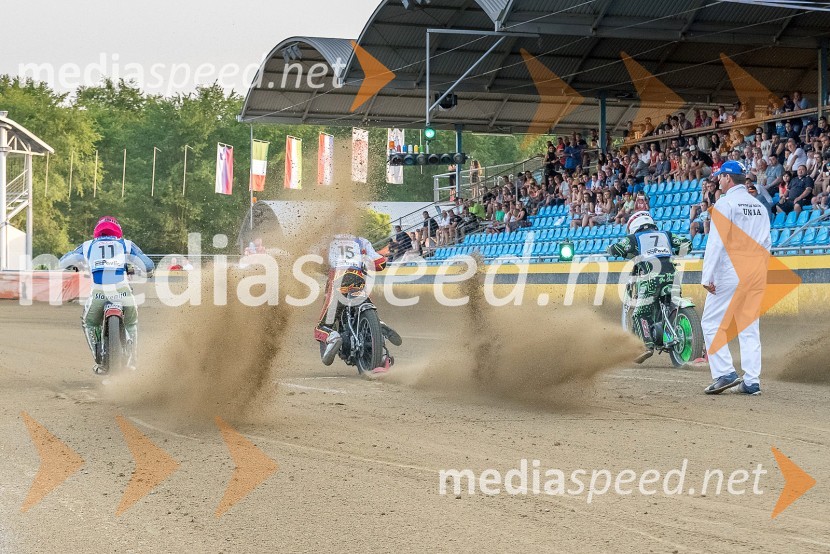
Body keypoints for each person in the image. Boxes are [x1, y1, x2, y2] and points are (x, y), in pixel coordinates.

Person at [701, 161, 771, 396]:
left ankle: (724, 373)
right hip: (756, 269)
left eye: (720, 176)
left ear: (728, 179)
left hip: (731, 269)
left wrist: (707, 275)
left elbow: (716, 242)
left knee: (711, 323)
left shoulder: (725, 203)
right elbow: (767, 243)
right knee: (749, 326)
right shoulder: (758, 205)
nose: (718, 179)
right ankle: (752, 381)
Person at [59, 216, 155, 374]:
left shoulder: (87, 245)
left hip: (98, 294)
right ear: (118, 231)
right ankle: (132, 363)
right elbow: (148, 265)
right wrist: (148, 272)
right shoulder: (126, 244)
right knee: (131, 324)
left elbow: (63, 262)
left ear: (97, 232)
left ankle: (100, 361)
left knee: (89, 323)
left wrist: (75, 267)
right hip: (123, 292)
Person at [608, 211, 691, 363]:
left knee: (640, 313)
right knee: (672, 303)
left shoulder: (634, 238)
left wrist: (611, 249)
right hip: (673, 276)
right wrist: (675, 253)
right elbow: (687, 245)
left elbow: (618, 249)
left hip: (651, 278)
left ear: (634, 225)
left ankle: (647, 345)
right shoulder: (666, 234)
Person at [313, 233, 399, 366]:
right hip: (357, 278)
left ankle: (333, 337)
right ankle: (378, 327)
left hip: (337, 278)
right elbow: (380, 263)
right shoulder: (361, 241)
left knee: (322, 326)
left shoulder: (327, 240)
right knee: (365, 301)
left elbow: (317, 263)